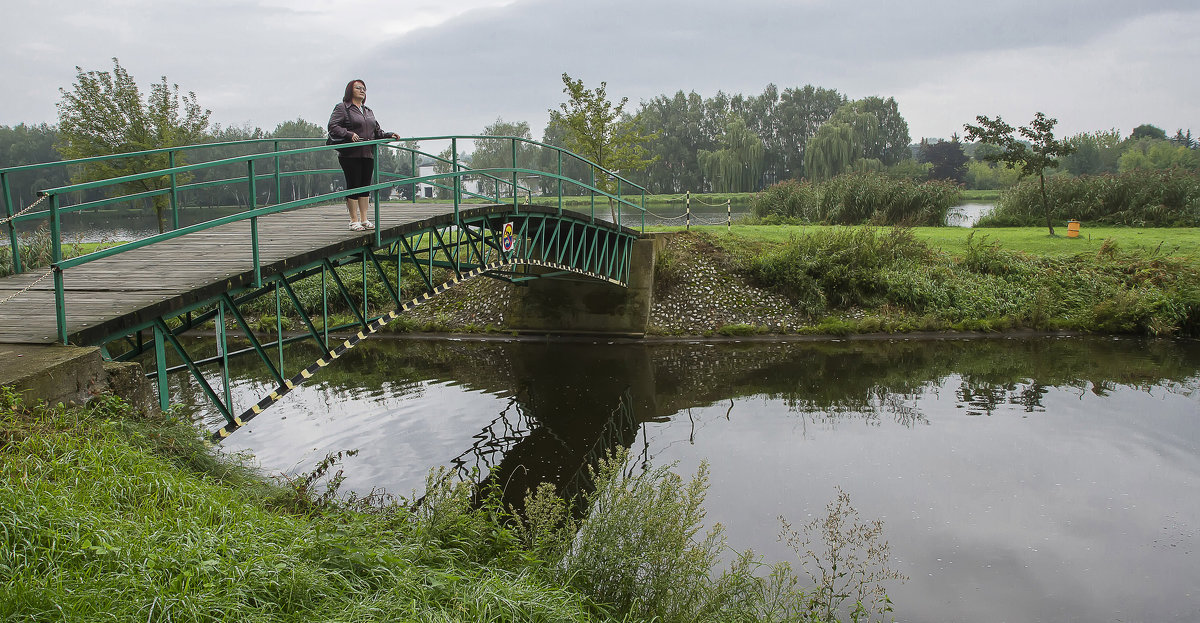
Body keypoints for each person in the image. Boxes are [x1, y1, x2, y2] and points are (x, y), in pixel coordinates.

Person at [327, 79, 399, 231]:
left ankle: (364, 218)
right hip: (350, 154)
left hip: (367, 153)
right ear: (350, 91)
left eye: (364, 88)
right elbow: (333, 126)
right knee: (353, 184)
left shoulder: (368, 111)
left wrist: (389, 135)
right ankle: (354, 220)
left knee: (365, 185)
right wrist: (348, 134)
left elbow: (376, 132)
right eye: (358, 88)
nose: (362, 90)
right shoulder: (343, 108)